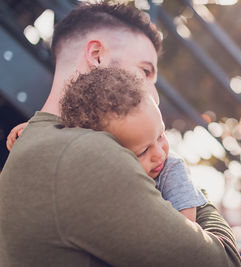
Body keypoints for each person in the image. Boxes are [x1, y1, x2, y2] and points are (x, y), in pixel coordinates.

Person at [0, 2, 241, 267]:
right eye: (144, 72)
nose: (154, 94)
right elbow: (225, 261)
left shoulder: (38, 140)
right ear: (97, 55)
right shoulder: (84, 153)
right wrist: (178, 176)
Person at [59, 67, 206, 222]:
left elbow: (188, 235)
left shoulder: (171, 170)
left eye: (161, 136)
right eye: (143, 151)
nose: (159, 154)